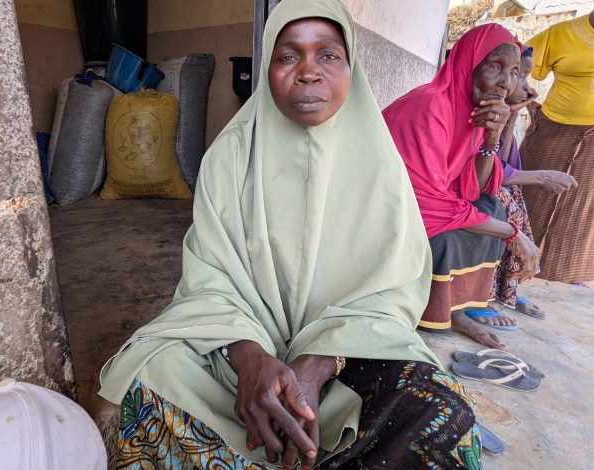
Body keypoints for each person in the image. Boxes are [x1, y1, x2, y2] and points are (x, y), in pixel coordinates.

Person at [99, 1, 482, 469]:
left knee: (440, 412)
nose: (307, 73)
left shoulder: (382, 166)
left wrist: (320, 361)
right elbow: (210, 277)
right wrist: (252, 360)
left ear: (350, 66)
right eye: (287, 56)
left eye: (328, 55)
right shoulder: (230, 157)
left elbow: (392, 292)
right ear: (267, 68)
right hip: (236, 347)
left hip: (349, 352)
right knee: (150, 377)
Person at [382, 24, 541, 349]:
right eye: (494, 67)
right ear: (469, 64)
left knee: (491, 207)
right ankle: (439, 310)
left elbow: (475, 190)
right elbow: (423, 202)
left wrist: (491, 137)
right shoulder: (430, 106)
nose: (505, 82)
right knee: (448, 234)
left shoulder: (473, 113)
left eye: (513, 72)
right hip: (381, 208)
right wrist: (513, 234)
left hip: (423, 203)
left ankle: (459, 307)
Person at [491, 47, 578, 318]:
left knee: (512, 194)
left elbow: (503, 164)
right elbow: (488, 172)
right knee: (501, 201)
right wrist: (541, 177)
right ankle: (480, 294)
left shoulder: (504, 113)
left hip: (487, 182)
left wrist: (514, 115)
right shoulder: (483, 109)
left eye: (523, 76)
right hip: (461, 191)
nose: (527, 88)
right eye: (522, 76)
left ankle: (507, 288)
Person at [519, 10, 594, 284]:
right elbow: (520, 57)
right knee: (530, 194)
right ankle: (514, 262)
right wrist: (526, 100)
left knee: (583, 208)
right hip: (553, 129)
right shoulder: (562, 33)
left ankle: (563, 274)